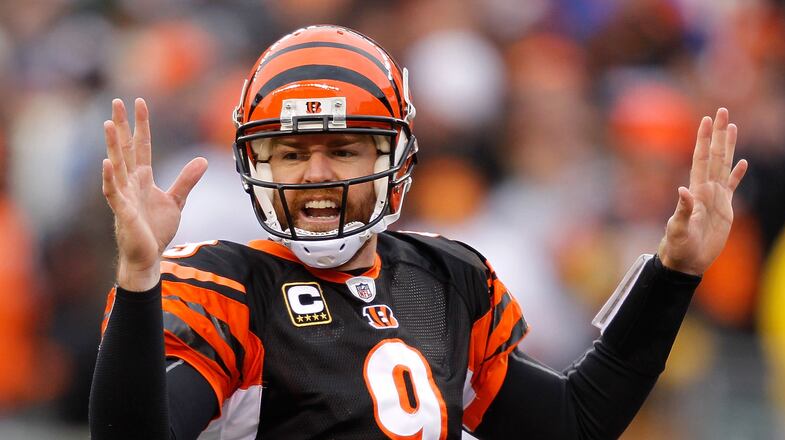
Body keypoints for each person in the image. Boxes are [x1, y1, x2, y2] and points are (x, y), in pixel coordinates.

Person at [89, 25, 749, 439]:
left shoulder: (448, 281)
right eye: (291, 153)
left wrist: (674, 275)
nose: (315, 174)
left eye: (343, 150)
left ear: (393, 160)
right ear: (258, 165)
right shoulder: (227, 288)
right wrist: (139, 277)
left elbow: (574, 423)